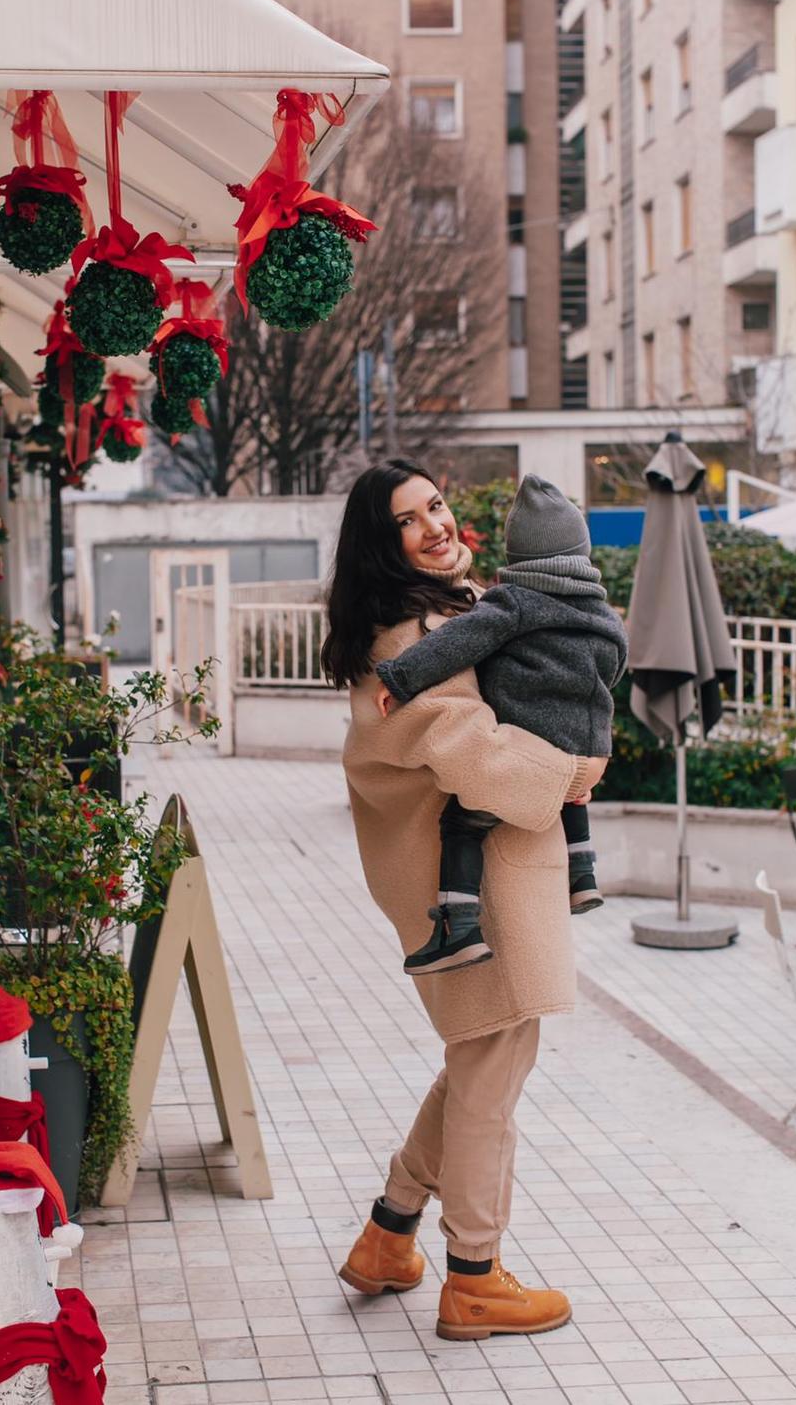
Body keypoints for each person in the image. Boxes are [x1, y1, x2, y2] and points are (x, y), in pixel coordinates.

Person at [321, 458, 607, 1342]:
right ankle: (475, 1275)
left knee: (484, 1059)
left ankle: (390, 1232)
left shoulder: (446, 608)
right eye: (410, 520)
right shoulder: (405, 634)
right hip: (473, 879)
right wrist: (570, 772)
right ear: (384, 544)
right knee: (492, 1072)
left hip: (486, 866)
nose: (436, 525)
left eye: (436, 505)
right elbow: (466, 745)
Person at [375, 473, 628, 977]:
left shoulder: (512, 602)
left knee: (463, 822)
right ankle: (582, 871)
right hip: (585, 741)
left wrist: (401, 676)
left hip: (525, 741)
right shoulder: (604, 615)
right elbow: (615, 668)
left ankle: (457, 923)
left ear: (518, 558)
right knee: (574, 793)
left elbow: (458, 643)